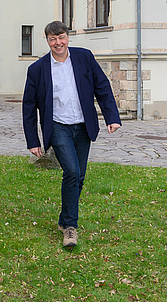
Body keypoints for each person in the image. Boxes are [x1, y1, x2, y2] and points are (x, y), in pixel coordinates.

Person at [22, 21, 121, 247]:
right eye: (53, 39)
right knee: (72, 172)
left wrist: (112, 117)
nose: (58, 43)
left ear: (68, 37)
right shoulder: (37, 69)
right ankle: (70, 228)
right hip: (57, 126)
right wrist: (32, 140)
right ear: (47, 41)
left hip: (83, 125)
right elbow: (28, 107)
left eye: (62, 37)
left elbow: (102, 86)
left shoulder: (84, 57)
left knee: (80, 176)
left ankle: (64, 218)